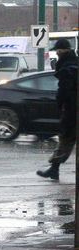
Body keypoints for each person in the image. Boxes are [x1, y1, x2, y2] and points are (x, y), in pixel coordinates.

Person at [37, 38, 78, 180]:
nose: (57, 53)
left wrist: (61, 105)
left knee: (66, 139)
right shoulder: (73, 64)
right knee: (66, 140)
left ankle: (54, 169)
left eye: (58, 51)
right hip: (72, 109)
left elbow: (65, 91)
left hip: (72, 111)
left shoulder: (67, 68)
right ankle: (54, 169)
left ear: (62, 51)